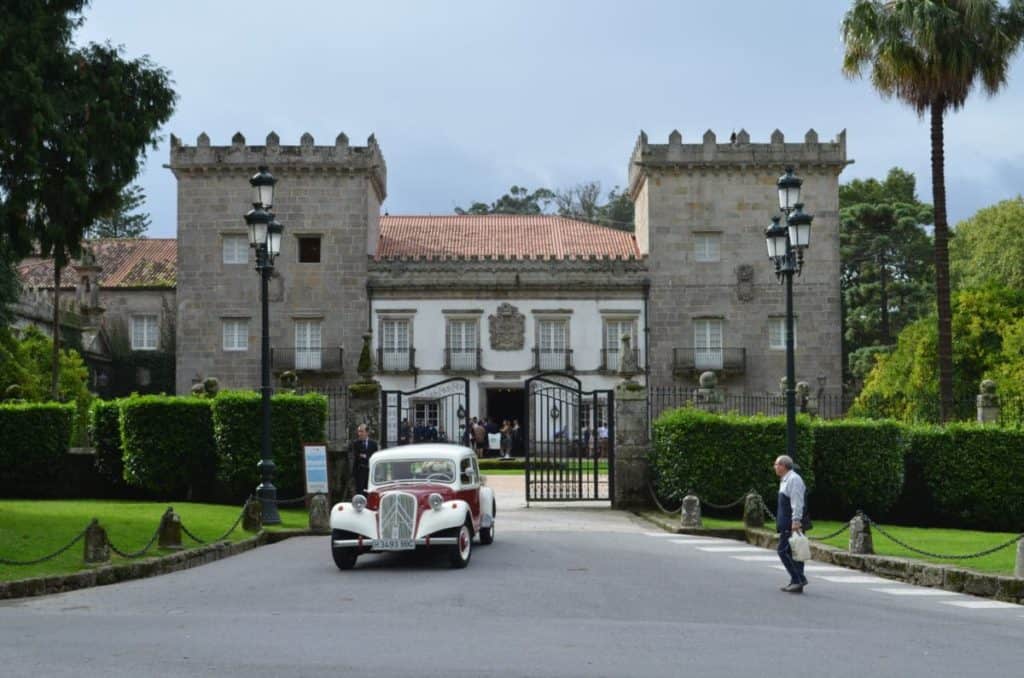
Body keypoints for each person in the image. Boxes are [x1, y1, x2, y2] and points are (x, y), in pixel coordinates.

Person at [774, 454, 808, 593]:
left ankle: (799, 579)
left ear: (783, 466)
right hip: (787, 522)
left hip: (791, 522)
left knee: (783, 551)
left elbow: (797, 502)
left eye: (776, 464)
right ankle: (796, 581)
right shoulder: (786, 480)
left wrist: (796, 521)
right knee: (793, 552)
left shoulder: (793, 479)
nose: (775, 467)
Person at [350, 424, 379, 497]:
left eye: (361, 431)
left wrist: (365, 456)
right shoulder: (356, 443)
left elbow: (374, 456)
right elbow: (356, 456)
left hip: (370, 471)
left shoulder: (373, 444)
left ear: (367, 432)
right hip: (360, 471)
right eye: (359, 431)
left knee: (369, 491)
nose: (359, 434)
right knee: (360, 491)